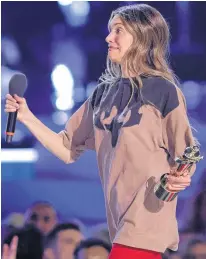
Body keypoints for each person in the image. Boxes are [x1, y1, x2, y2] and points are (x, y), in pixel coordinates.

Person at [5, 3, 199, 259]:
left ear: (141, 36)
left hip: (146, 225)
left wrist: (181, 176)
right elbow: (66, 148)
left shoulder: (163, 91)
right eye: (110, 30)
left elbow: (186, 153)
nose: (109, 37)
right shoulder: (102, 95)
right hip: (118, 227)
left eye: (118, 30)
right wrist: (27, 117)